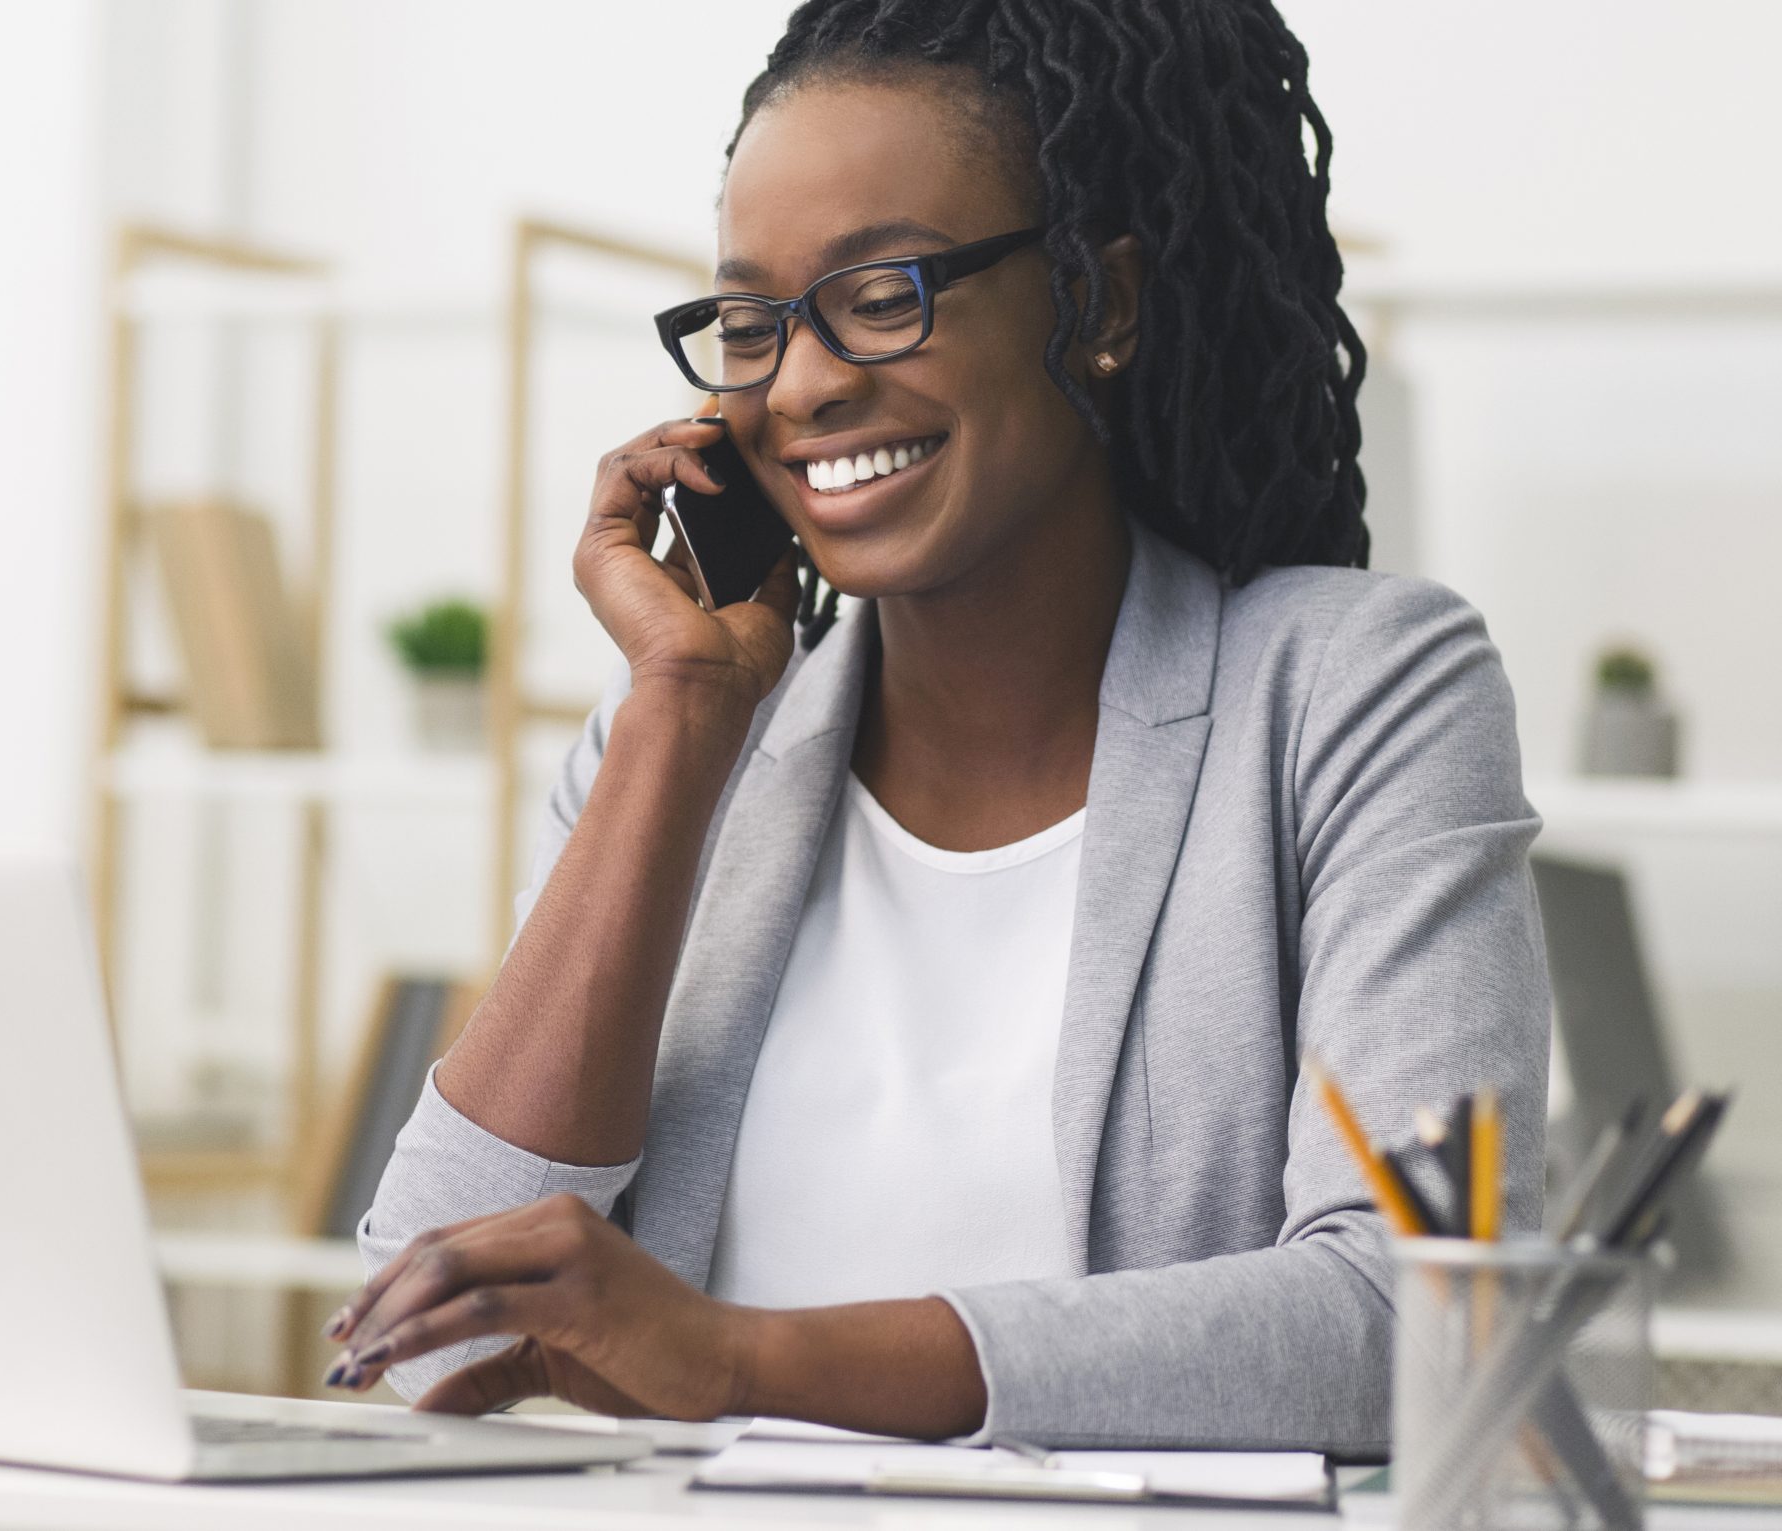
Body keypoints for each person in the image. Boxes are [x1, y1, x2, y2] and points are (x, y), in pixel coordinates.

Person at [321, 0, 1547, 1453]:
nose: (805, 382)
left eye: (884, 290)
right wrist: (682, 717)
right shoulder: (679, 751)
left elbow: (1418, 1315)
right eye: (750, 320)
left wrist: (733, 1358)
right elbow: (427, 1335)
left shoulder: (1354, 693)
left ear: (1102, 304)